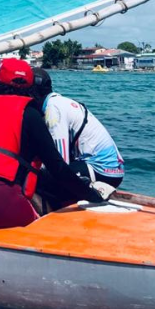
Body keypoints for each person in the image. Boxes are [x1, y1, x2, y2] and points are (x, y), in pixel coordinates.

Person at [0, 58, 111, 229]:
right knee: (53, 201)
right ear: (31, 88)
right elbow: (57, 168)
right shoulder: (30, 114)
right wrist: (93, 196)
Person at [30, 68, 124, 211]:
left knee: (42, 179)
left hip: (102, 170)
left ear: (33, 92)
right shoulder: (58, 102)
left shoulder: (53, 110)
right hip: (109, 169)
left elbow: (60, 161)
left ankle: (51, 215)